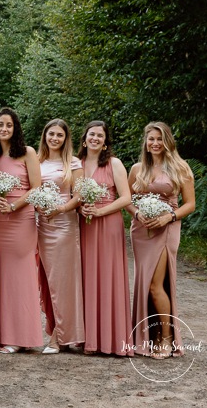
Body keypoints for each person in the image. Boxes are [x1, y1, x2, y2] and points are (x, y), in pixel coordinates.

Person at [125, 122, 195, 359]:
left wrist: (169, 216)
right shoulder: (137, 169)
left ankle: (166, 339)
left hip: (167, 228)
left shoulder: (179, 167)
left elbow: (190, 204)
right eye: (150, 139)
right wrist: (137, 213)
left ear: (167, 141)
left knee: (157, 285)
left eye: (159, 139)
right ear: (145, 142)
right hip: (141, 230)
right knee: (145, 284)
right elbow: (127, 200)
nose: (154, 143)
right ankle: (149, 337)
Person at [0, 107, 43, 353]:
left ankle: (24, 337)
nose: (4, 129)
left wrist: (14, 205)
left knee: (22, 276)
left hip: (22, 219)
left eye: (9, 125)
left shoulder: (27, 153)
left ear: (15, 128)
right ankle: (5, 334)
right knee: (3, 278)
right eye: (1, 125)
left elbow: (36, 187)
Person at [77, 120, 133, 356]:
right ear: (84, 139)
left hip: (108, 223)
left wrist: (100, 211)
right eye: (92, 134)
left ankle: (111, 339)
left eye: (100, 136)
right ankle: (88, 339)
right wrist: (81, 209)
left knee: (108, 276)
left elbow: (126, 198)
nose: (95, 138)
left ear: (105, 141)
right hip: (84, 224)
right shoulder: (76, 164)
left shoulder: (114, 163)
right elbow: (72, 196)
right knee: (86, 276)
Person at [35, 119, 85, 354]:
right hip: (41, 226)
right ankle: (56, 329)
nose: (54, 138)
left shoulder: (73, 163)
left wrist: (61, 209)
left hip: (64, 226)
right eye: (51, 134)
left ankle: (60, 337)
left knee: (62, 283)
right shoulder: (37, 161)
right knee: (46, 282)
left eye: (59, 135)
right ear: (45, 136)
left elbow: (79, 196)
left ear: (66, 139)